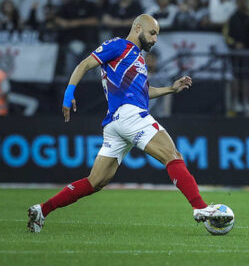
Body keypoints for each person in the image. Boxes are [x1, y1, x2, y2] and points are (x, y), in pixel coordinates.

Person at [27, 14, 232, 233]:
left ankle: (42, 210)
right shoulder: (119, 45)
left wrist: (170, 89)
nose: (154, 39)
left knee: (95, 181)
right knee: (173, 156)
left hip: (116, 122)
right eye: (152, 33)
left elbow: (143, 93)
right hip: (129, 115)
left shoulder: (138, 59)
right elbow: (84, 64)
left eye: (157, 35)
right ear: (137, 28)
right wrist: (69, 93)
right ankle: (200, 207)